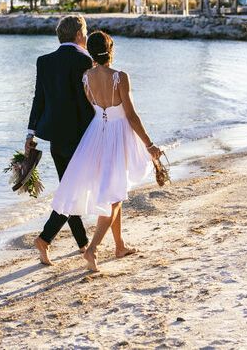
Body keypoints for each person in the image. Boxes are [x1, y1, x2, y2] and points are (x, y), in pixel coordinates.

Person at [52, 31, 162, 272]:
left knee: (116, 191)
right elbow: (131, 115)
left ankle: (119, 245)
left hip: (98, 133)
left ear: (91, 52)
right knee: (114, 197)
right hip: (117, 134)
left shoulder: (86, 77)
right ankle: (92, 249)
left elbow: (95, 108)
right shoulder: (120, 77)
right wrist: (149, 144)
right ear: (110, 50)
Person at [26, 15, 94, 265]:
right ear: (79, 35)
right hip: (80, 138)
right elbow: (88, 102)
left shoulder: (44, 62)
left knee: (69, 187)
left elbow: (38, 100)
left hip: (56, 140)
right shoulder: (85, 60)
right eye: (85, 33)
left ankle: (82, 242)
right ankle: (44, 238)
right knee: (72, 192)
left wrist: (30, 133)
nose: (86, 38)